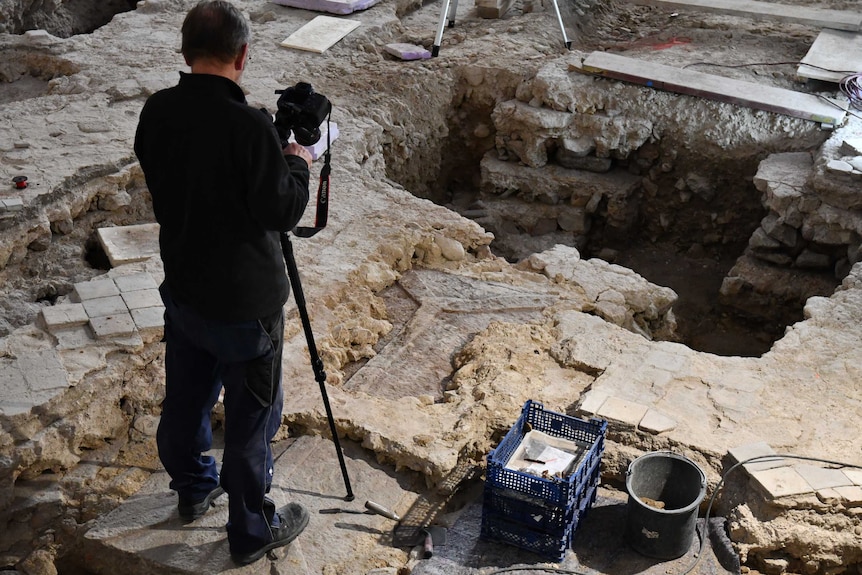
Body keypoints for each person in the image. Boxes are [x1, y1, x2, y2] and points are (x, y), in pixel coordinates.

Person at [133, 0, 313, 566]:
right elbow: (282, 211)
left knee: (186, 400)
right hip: (246, 305)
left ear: (185, 53)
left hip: (186, 289)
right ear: (243, 54)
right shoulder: (250, 126)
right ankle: (252, 529)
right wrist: (298, 157)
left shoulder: (157, 111)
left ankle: (192, 487)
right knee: (251, 419)